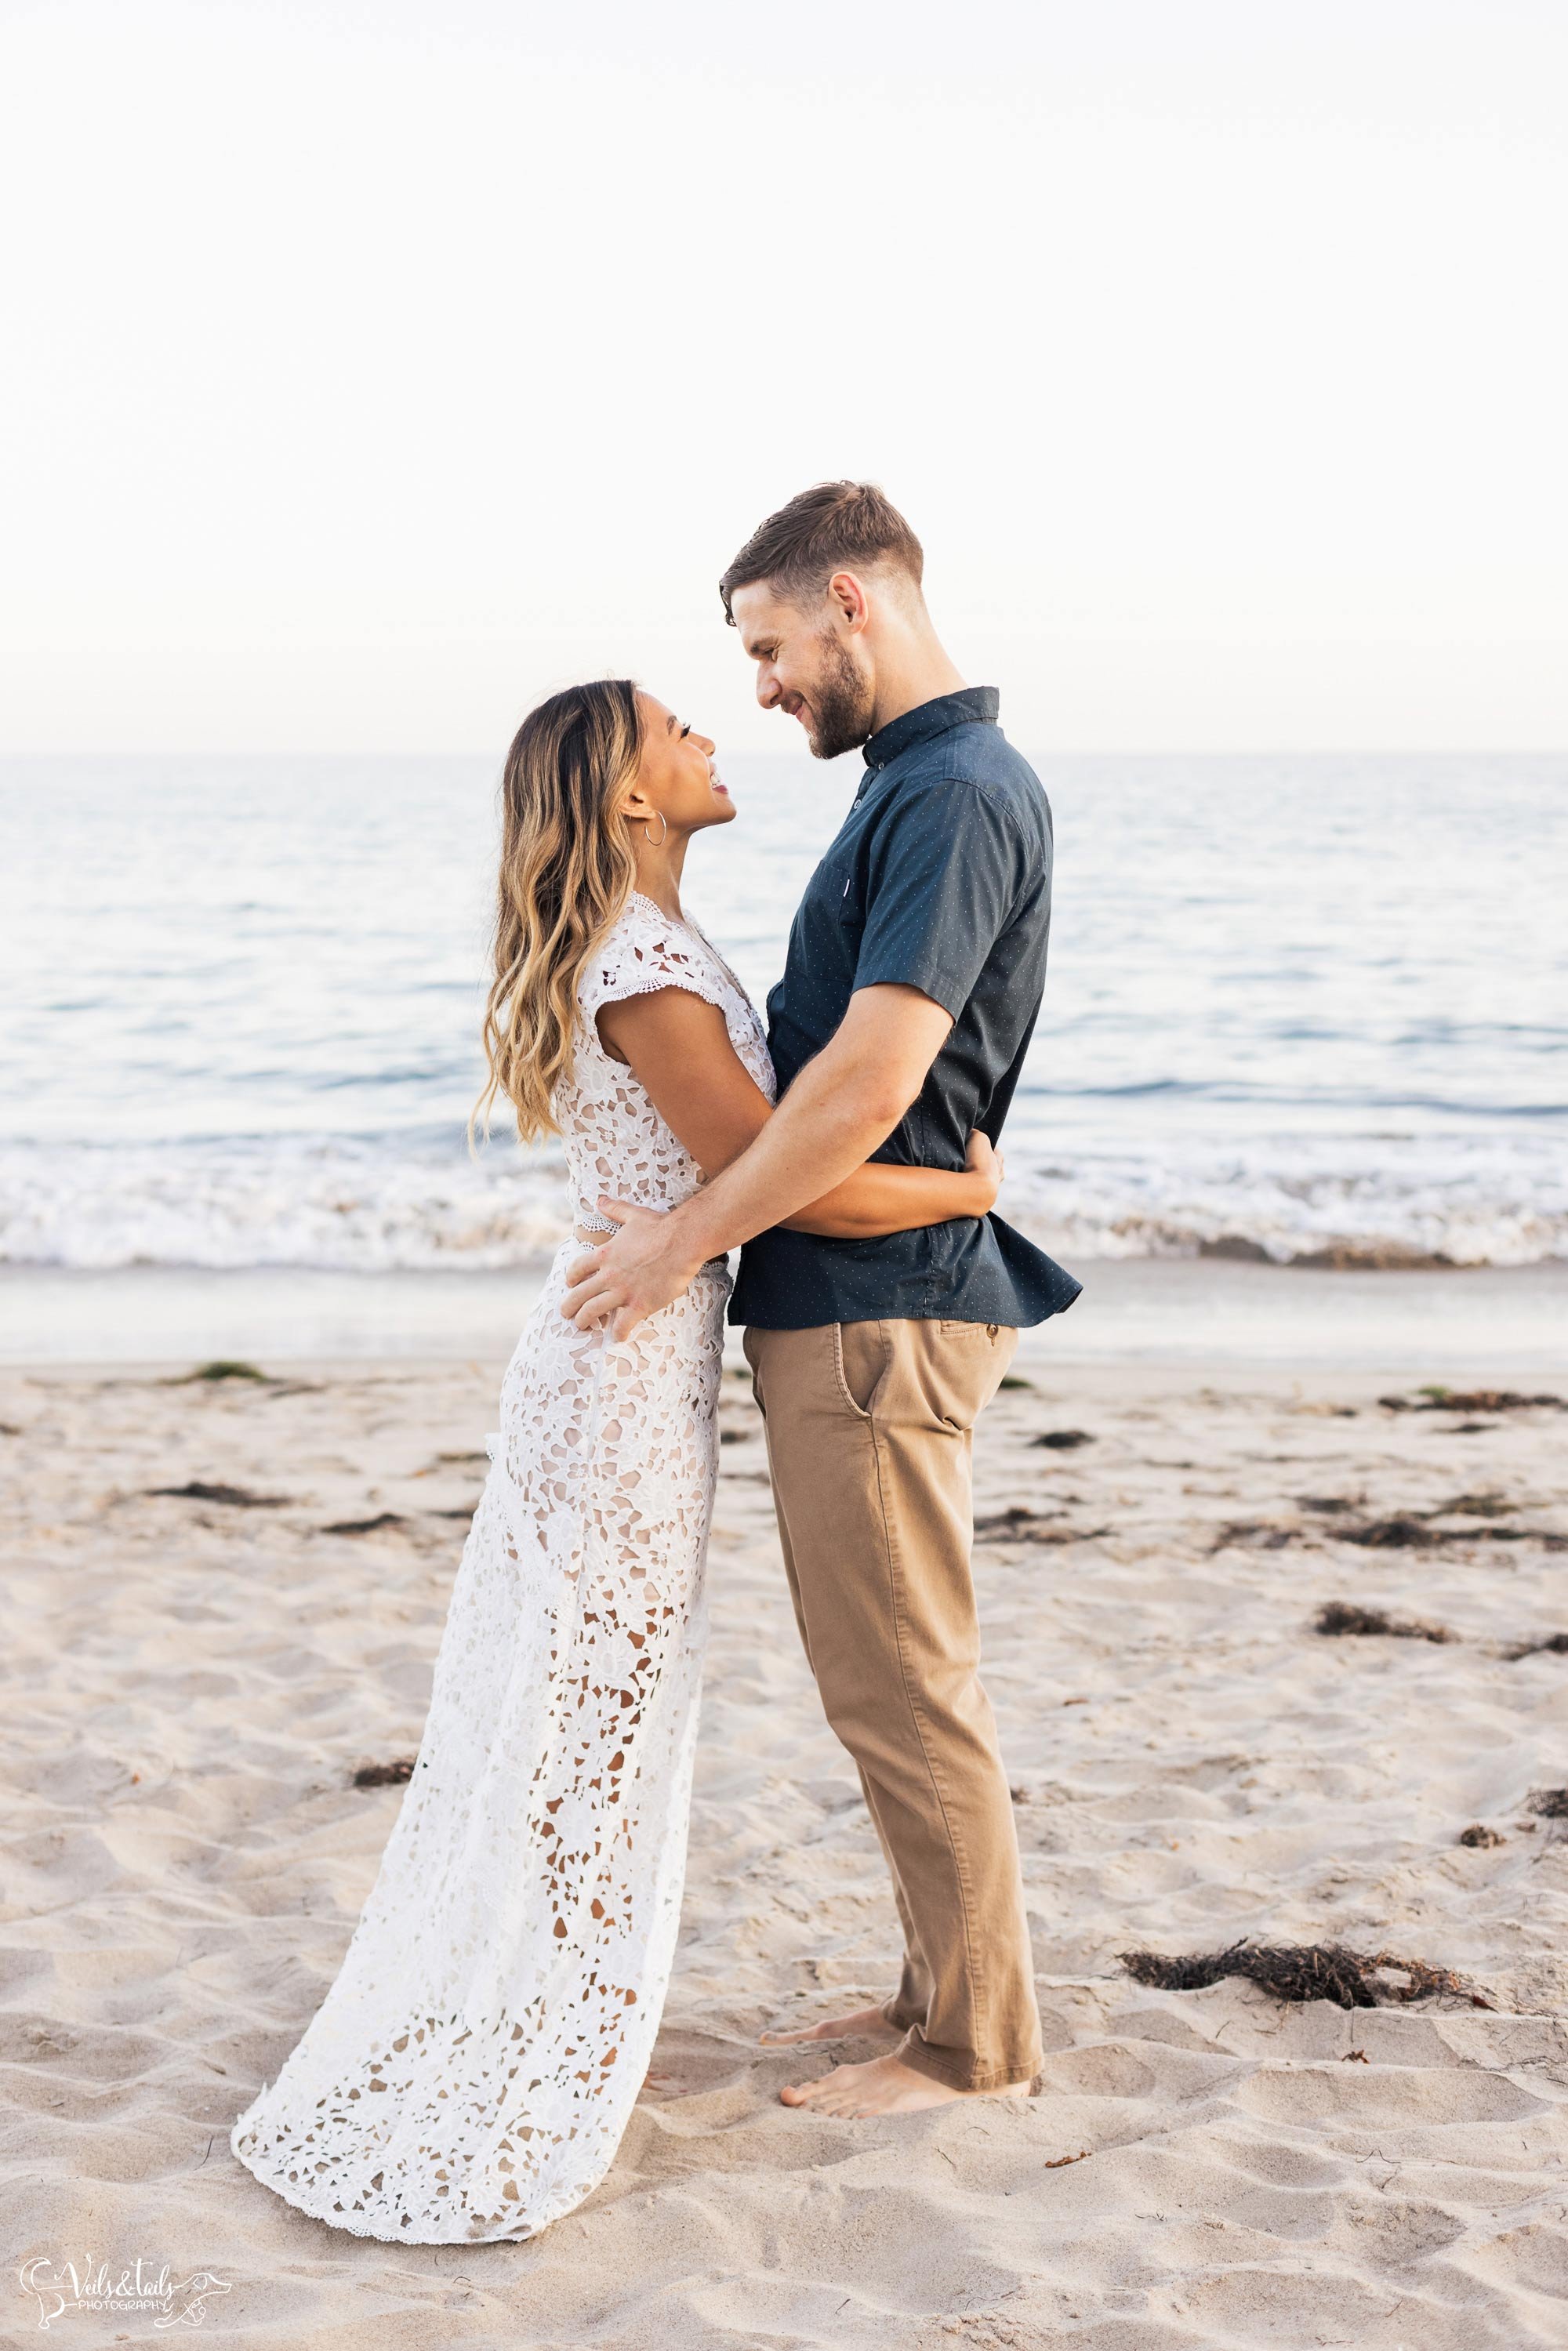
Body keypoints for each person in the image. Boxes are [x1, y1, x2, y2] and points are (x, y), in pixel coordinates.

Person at [229, 677, 997, 2243]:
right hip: (621, 1381)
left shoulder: (650, 943)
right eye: (674, 726)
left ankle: (549, 2012)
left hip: (629, 1360)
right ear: (627, 797)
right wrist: (956, 1189)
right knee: (597, 1702)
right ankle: (546, 2034)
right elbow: (772, 1177)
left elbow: (744, 1163)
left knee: (591, 1695)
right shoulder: (644, 965)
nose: (712, 732)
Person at [563, 482, 1081, 2119]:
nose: (765, 686)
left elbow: (861, 1083)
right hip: (854, 1288)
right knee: (881, 1676)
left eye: (770, 645)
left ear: (850, 601)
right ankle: (931, 1993)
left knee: (900, 1679)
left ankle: (970, 2048)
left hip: (876, 1303)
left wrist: (674, 1240)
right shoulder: (911, 786)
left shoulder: (954, 790)